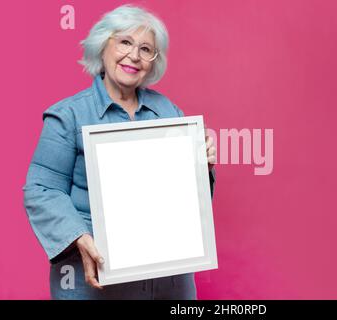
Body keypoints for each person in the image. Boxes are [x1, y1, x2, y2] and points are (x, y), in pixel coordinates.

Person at [23, 4, 217, 300]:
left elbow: (186, 201)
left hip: (166, 282)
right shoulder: (68, 116)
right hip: (93, 277)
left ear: (154, 61)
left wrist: (202, 168)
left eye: (146, 49)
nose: (134, 56)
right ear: (103, 46)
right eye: (125, 42)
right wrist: (78, 236)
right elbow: (42, 189)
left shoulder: (169, 112)